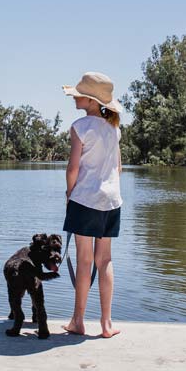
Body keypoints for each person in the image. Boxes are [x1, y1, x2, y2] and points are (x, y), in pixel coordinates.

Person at [60, 72, 123, 338]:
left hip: (84, 200)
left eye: (78, 94)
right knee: (104, 260)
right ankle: (107, 325)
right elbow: (118, 169)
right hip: (111, 201)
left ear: (90, 100)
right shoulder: (114, 128)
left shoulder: (79, 127)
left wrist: (69, 194)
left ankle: (78, 321)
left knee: (85, 260)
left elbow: (73, 168)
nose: (75, 97)